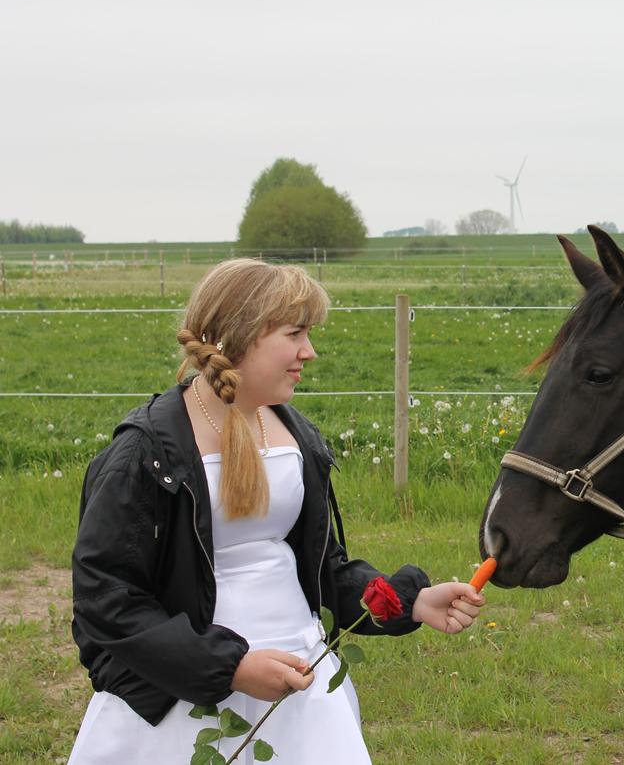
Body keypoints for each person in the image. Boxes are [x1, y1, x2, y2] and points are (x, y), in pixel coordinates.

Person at [69, 258, 486, 764]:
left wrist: (408, 600)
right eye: (295, 333)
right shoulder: (146, 453)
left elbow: (322, 570)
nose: (308, 352)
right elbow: (106, 598)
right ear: (238, 336)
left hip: (299, 686)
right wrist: (230, 668)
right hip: (180, 702)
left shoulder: (298, 436)